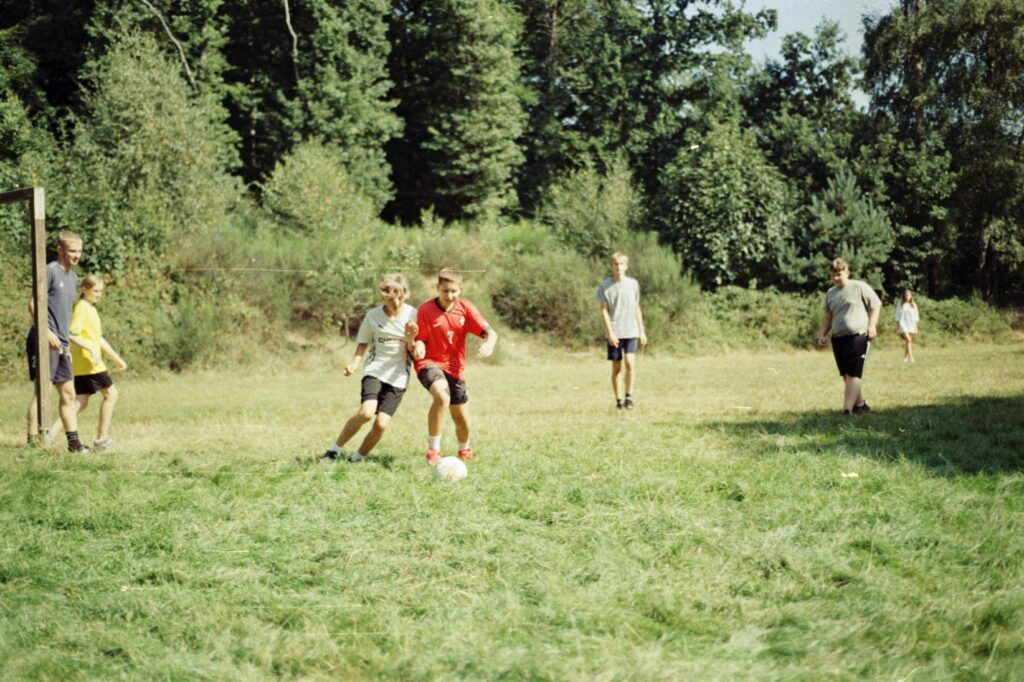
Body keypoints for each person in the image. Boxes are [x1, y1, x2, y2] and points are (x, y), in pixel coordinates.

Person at [321, 273, 418, 463]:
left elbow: (413, 350)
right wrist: (355, 364)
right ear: (383, 296)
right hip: (375, 369)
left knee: (381, 424)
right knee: (366, 413)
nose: (396, 302)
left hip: (399, 376)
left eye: (400, 298)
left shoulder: (413, 315)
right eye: (391, 299)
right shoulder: (373, 315)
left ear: (406, 295)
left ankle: (357, 458)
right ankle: (333, 451)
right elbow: (363, 342)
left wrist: (411, 337)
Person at [413, 267, 497, 465]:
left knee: (461, 419)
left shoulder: (466, 308)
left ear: (461, 289)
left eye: (454, 291)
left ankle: (464, 449)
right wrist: (419, 345)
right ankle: (433, 451)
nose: (449, 296)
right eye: (445, 291)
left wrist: (489, 344)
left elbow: (491, 333)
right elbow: (420, 338)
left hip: (455, 368)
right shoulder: (425, 310)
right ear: (437, 287)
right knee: (442, 397)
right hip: (429, 363)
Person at [25, 230, 91, 452]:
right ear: (60, 249)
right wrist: (45, 331)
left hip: (61, 344)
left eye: (79, 251)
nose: (77, 255)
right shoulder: (50, 271)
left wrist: (66, 344)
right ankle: (33, 444)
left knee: (69, 394)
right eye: (72, 251)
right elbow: (33, 303)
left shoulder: (73, 277)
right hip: (44, 340)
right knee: (42, 392)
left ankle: (74, 445)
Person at [49, 275, 128, 451]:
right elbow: (71, 334)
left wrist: (116, 358)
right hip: (89, 364)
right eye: (95, 291)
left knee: (79, 403)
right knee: (111, 394)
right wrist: (91, 349)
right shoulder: (82, 308)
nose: (99, 294)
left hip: (87, 364)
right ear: (84, 290)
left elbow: (97, 338)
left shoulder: (91, 309)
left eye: (101, 291)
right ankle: (101, 439)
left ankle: (49, 436)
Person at [817, 258, 882, 415]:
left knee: (854, 373)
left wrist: (872, 326)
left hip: (857, 336)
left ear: (847, 272)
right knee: (846, 374)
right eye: (833, 275)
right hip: (838, 338)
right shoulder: (830, 293)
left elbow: (876, 305)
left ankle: (847, 411)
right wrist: (822, 334)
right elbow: (828, 317)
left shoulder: (859, 287)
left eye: (839, 274)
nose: (836, 278)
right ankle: (860, 406)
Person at [596, 252, 647, 410]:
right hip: (615, 331)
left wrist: (641, 330)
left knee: (630, 362)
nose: (618, 267)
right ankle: (619, 401)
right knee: (617, 368)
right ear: (611, 266)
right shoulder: (605, 286)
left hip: (631, 330)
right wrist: (610, 332)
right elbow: (604, 310)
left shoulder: (633, 284)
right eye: (615, 264)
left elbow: (636, 307)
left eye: (621, 264)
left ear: (626, 266)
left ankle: (629, 398)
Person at [894, 289, 919, 363]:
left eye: (909, 295)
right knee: (909, 340)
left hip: (911, 324)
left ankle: (905, 357)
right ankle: (911, 357)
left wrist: (916, 327)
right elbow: (897, 316)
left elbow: (916, 316)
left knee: (908, 341)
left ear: (911, 296)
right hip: (903, 324)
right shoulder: (900, 305)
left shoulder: (913, 305)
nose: (907, 296)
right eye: (906, 295)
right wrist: (897, 327)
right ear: (904, 296)